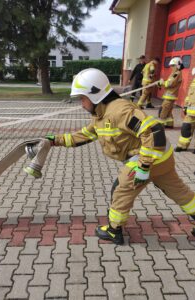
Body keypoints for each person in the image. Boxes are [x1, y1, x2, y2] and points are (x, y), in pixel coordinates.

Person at [24, 68, 195, 244]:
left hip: (147, 159)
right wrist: (54, 140)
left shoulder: (119, 111)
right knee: (179, 192)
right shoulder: (100, 114)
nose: (81, 104)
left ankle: (114, 231)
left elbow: (154, 130)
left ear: (94, 95)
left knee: (120, 191)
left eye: (83, 98)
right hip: (162, 158)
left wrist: (143, 167)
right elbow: (83, 136)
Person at [157, 57, 183, 129]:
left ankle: (159, 126)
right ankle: (169, 124)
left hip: (170, 96)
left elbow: (170, 83)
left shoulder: (176, 74)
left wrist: (162, 83)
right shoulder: (174, 73)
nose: (171, 67)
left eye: (173, 65)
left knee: (163, 110)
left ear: (177, 65)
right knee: (168, 111)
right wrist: (161, 83)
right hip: (170, 96)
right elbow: (168, 83)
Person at [175, 68, 195, 152]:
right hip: (190, 112)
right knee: (185, 128)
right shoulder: (193, 82)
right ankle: (182, 146)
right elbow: (189, 95)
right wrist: (186, 106)